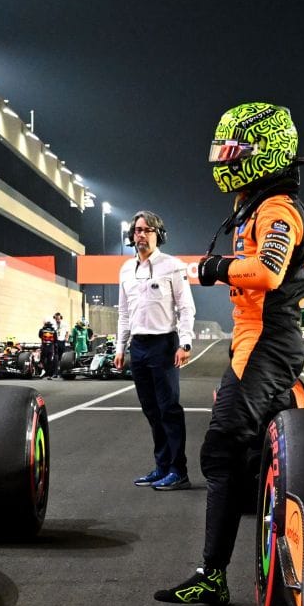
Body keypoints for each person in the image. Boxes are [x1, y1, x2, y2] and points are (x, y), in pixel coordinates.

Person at [155, 102, 304, 606]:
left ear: (264, 154)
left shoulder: (278, 210)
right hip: (256, 340)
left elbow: (267, 272)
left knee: (221, 451)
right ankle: (276, 558)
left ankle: (212, 576)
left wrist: (216, 267)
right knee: (251, 453)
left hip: (266, 342)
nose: (224, 160)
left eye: (234, 151)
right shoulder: (259, 205)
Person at [115, 209, 194, 491]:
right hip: (138, 346)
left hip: (164, 344)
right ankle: (161, 466)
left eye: (147, 230)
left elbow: (186, 308)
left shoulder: (173, 266)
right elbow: (123, 312)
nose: (141, 235)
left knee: (169, 409)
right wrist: (120, 347)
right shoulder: (125, 269)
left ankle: (178, 470)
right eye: (137, 230)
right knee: (151, 410)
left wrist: (185, 343)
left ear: (158, 234)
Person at [36, 313, 63, 378]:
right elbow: (56, 339)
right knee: (49, 361)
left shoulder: (42, 330)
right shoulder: (53, 331)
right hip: (51, 347)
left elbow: (39, 336)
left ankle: (42, 371)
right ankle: (49, 374)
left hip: (44, 347)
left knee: (42, 360)